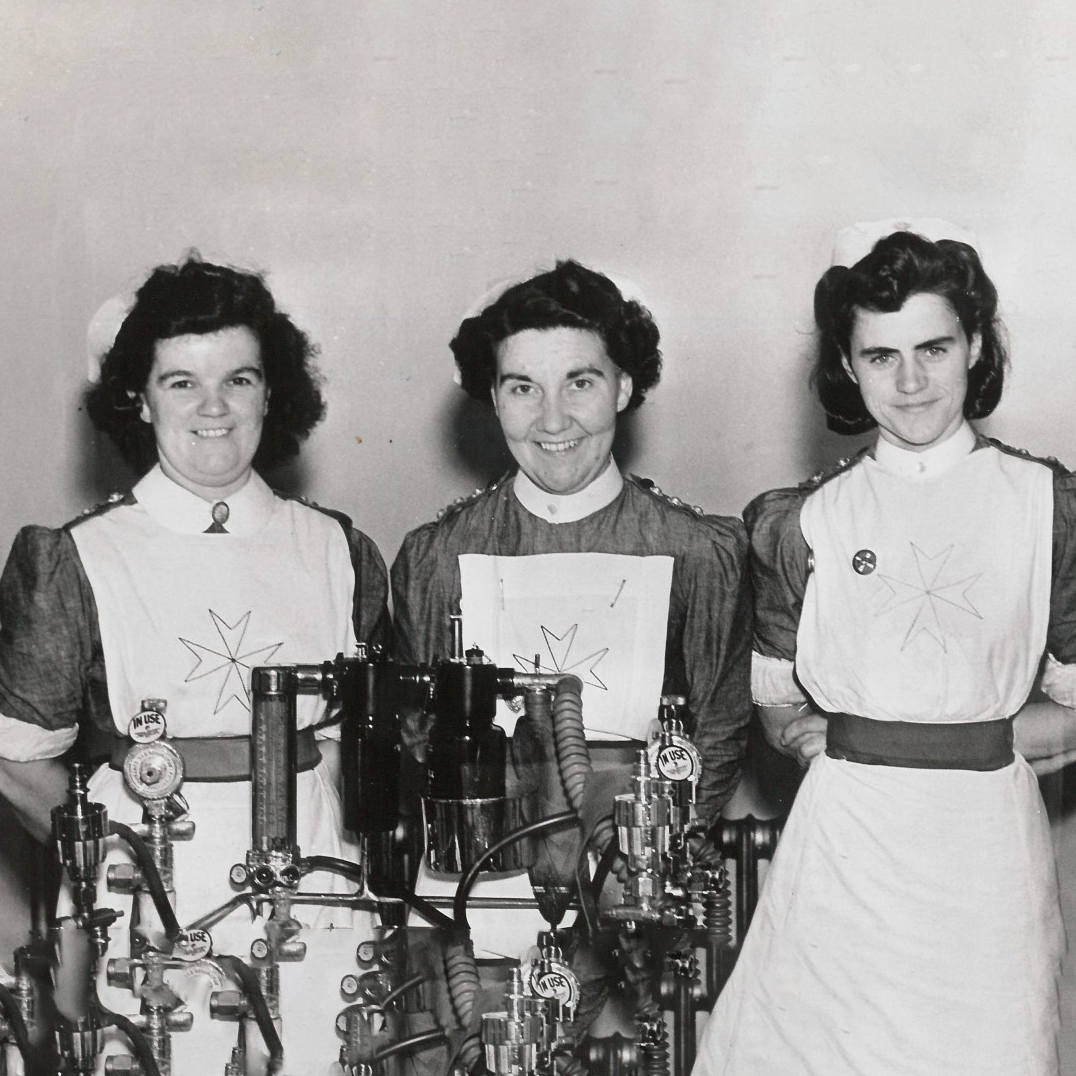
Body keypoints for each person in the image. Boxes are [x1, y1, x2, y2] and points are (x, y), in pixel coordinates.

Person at [694, 226, 1073, 1076]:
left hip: (986, 857)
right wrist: (808, 738)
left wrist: (984, 743)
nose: (909, 383)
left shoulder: (1048, 506)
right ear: (848, 366)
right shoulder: (794, 520)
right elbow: (776, 693)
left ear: (974, 347)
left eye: (933, 348)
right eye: (880, 357)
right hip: (842, 853)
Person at [0, 256, 391, 1074]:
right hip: (143, 890)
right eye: (182, 383)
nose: (214, 407)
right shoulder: (74, 559)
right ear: (139, 400)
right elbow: (13, 757)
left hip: (315, 884)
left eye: (239, 379)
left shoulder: (340, 549)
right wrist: (112, 858)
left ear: (271, 393)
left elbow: (373, 749)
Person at [391, 261, 750, 981]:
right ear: (492, 398)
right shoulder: (436, 557)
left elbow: (718, 730)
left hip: (637, 896)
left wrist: (645, 867)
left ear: (623, 386)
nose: (552, 420)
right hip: (483, 898)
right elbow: (421, 739)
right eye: (523, 387)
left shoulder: (700, 551)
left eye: (579, 383)